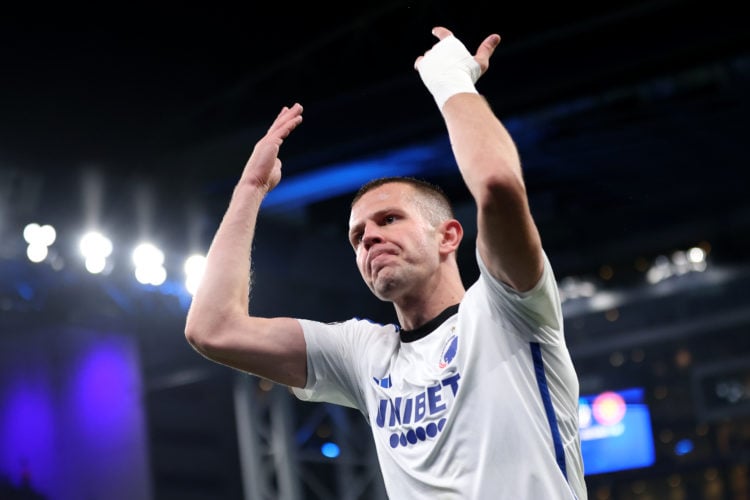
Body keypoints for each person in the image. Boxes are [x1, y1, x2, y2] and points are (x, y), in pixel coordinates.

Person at [185, 26, 587, 499]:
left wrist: (451, 81)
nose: (369, 236)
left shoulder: (507, 308)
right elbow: (212, 329)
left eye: (389, 219)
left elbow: (498, 185)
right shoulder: (363, 355)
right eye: (357, 236)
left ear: (449, 235)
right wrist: (249, 192)